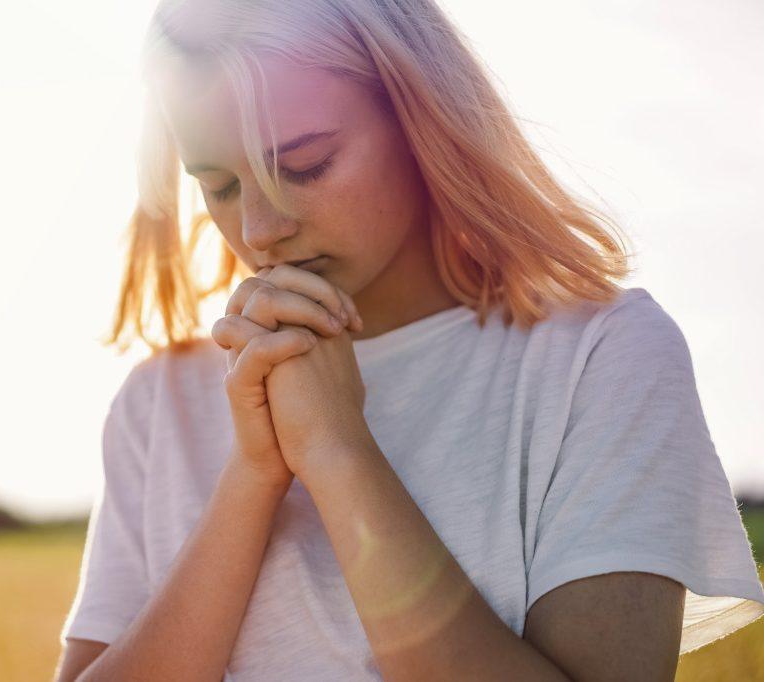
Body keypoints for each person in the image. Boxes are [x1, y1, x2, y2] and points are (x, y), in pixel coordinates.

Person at [54, 1, 764, 679]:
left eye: (304, 165)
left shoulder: (598, 355)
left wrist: (337, 451)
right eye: (220, 186)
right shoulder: (159, 402)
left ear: (422, 116)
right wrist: (252, 477)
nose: (262, 231)